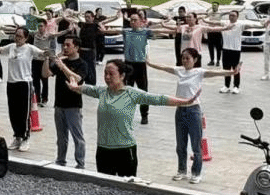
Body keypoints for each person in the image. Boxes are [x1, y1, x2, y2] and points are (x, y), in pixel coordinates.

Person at [67, 59, 200, 178]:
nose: (107, 77)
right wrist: (75, 87)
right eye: (105, 73)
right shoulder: (102, 92)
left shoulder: (131, 94)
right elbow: (85, 88)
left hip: (125, 150)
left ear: (122, 76)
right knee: (105, 190)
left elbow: (158, 99)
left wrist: (185, 101)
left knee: (127, 190)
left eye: (111, 74)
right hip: (103, 150)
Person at [147, 49, 238, 183]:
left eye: (187, 58)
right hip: (180, 110)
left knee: (196, 145)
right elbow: (164, 67)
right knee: (180, 145)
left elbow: (216, 73)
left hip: (193, 111)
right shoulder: (179, 71)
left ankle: (196, 173)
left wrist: (231, 72)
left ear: (195, 60)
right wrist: (149, 63)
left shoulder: (199, 72)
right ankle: (182, 171)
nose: (185, 61)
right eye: (183, 58)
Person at [103, 10, 173, 123]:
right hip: (128, 64)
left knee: (143, 91)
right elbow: (111, 31)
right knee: (125, 90)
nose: (132, 22)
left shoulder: (145, 32)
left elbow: (160, 30)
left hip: (140, 65)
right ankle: (125, 113)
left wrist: (169, 24)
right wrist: (103, 27)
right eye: (131, 20)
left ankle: (144, 115)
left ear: (141, 22)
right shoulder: (126, 31)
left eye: (135, 20)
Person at [0, 27, 42, 151]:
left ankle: (25, 138)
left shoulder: (30, 48)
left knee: (24, 113)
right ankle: (17, 137)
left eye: (20, 36)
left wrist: (49, 54)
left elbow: (42, 53)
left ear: (26, 38)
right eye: (16, 35)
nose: (17, 38)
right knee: (13, 112)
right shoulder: (12, 47)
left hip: (24, 83)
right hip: (11, 83)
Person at [45, 36, 89, 169]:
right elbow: (45, 74)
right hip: (59, 104)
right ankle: (60, 161)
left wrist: (62, 66)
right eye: (63, 45)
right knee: (61, 137)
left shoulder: (82, 64)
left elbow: (77, 79)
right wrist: (46, 59)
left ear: (76, 47)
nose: (64, 47)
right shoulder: (61, 62)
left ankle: (80, 164)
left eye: (68, 45)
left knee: (77, 137)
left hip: (73, 106)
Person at [218, 10, 245, 93]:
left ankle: (236, 86)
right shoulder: (225, 23)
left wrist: (263, 25)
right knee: (226, 69)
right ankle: (226, 86)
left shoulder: (240, 24)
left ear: (237, 17)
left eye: (233, 15)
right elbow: (214, 22)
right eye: (230, 15)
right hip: (226, 49)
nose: (231, 17)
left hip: (235, 50)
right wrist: (204, 20)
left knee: (235, 69)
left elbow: (254, 25)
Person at [205, 2, 224, 66]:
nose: (214, 7)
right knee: (210, 47)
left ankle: (218, 61)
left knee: (218, 47)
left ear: (218, 6)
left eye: (215, 6)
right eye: (213, 6)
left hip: (217, 31)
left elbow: (228, 12)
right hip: (210, 31)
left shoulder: (220, 13)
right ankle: (212, 60)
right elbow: (205, 16)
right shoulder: (210, 12)